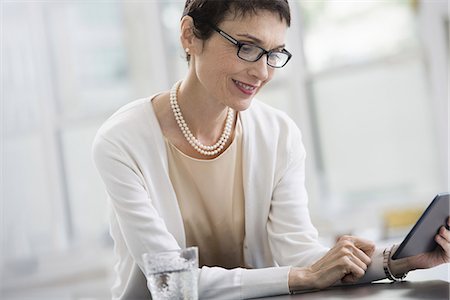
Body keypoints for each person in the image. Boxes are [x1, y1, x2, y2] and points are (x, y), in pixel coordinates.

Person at [92, 0, 450, 299]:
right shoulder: (122, 141)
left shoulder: (278, 134)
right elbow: (171, 281)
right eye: (246, 48)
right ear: (189, 36)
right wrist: (299, 277)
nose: (262, 72)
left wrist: (396, 261)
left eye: (274, 53)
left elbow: (301, 255)